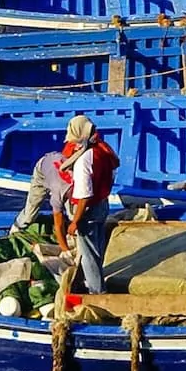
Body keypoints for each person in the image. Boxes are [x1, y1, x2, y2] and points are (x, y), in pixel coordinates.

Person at [56, 114, 117, 294]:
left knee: (88, 255)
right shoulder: (102, 149)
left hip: (88, 212)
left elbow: (84, 196)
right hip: (102, 205)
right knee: (96, 247)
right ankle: (99, 278)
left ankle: (97, 291)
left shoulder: (83, 161)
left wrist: (75, 221)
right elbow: (112, 172)